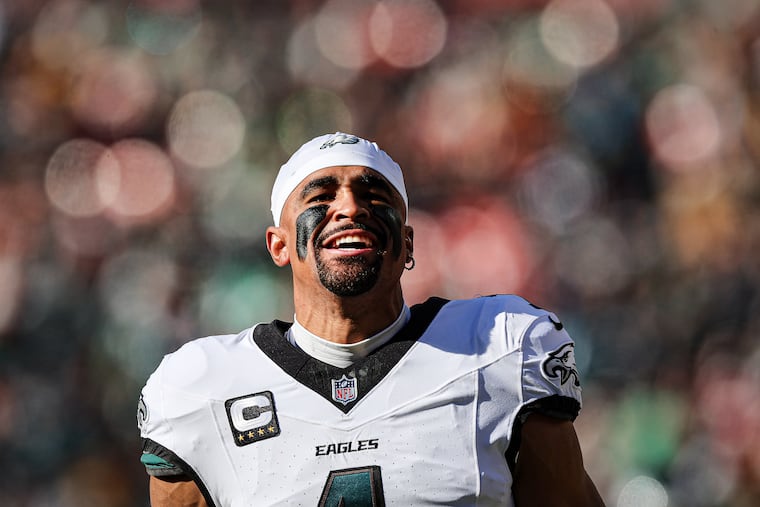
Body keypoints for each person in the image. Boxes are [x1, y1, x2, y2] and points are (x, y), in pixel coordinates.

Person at [137, 132, 606, 506]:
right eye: (321, 194)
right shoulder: (201, 389)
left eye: (372, 193)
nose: (350, 207)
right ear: (279, 245)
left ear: (407, 244)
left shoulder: (500, 346)